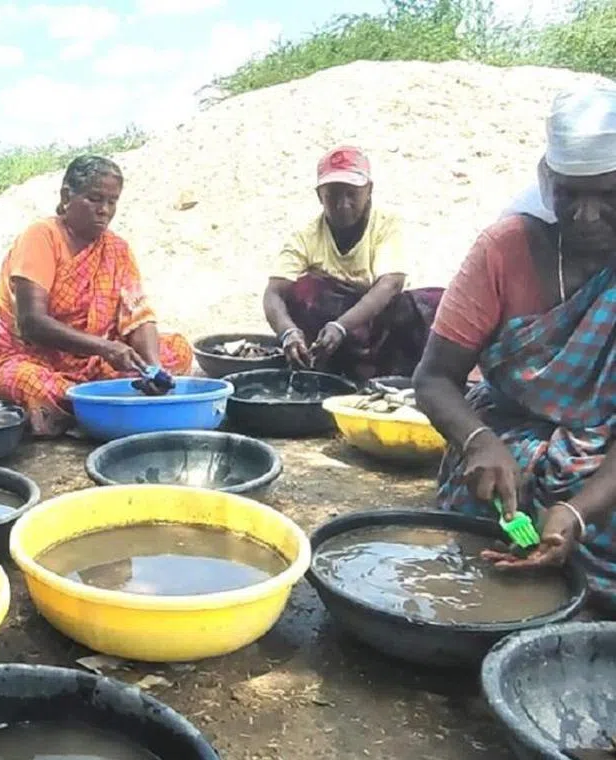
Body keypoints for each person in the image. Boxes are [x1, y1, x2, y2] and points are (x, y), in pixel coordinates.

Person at [414, 83, 616, 605]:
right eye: (571, 193)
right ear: (550, 184)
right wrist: (478, 441)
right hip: (508, 429)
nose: (587, 215)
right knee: (495, 505)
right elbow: (434, 377)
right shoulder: (503, 250)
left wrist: (577, 511)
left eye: (609, 196)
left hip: (607, 452)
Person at [0, 156, 193, 437]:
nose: (104, 210)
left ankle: (91, 409)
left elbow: (138, 316)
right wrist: (103, 348)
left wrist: (153, 368)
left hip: (95, 363)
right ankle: (99, 407)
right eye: (94, 199)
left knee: (177, 349)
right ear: (67, 196)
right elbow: (31, 323)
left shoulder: (117, 249)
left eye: (112, 202)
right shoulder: (41, 237)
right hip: (33, 357)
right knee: (26, 383)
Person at [263, 146, 443, 381]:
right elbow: (274, 292)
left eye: (352, 193)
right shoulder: (305, 236)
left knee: (438, 302)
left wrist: (342, 326)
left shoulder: (387, 224)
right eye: (333, 194)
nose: (343, 203)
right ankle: (322, 368)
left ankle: (411, 376)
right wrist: (288, 332)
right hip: (330, 334)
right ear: (320, 196)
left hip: (379, 320)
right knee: (303, 289)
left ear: (369, 191)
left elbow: (391, 284)